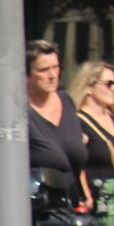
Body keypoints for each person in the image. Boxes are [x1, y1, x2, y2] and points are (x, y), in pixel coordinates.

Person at [22, 40, 88, 189]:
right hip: (40, 205)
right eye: (43, 70)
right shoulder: (19, 112)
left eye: (56, 67)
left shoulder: (66, 101)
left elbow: (75, 159)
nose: (52, 75)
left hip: (75, 204)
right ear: (26, 75)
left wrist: (86, 194)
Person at [68, 60, 114, 207]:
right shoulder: (77, 122)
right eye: (108, 84)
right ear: (89, 87)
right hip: (96, 204)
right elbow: (75, 164)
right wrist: (85, 197)